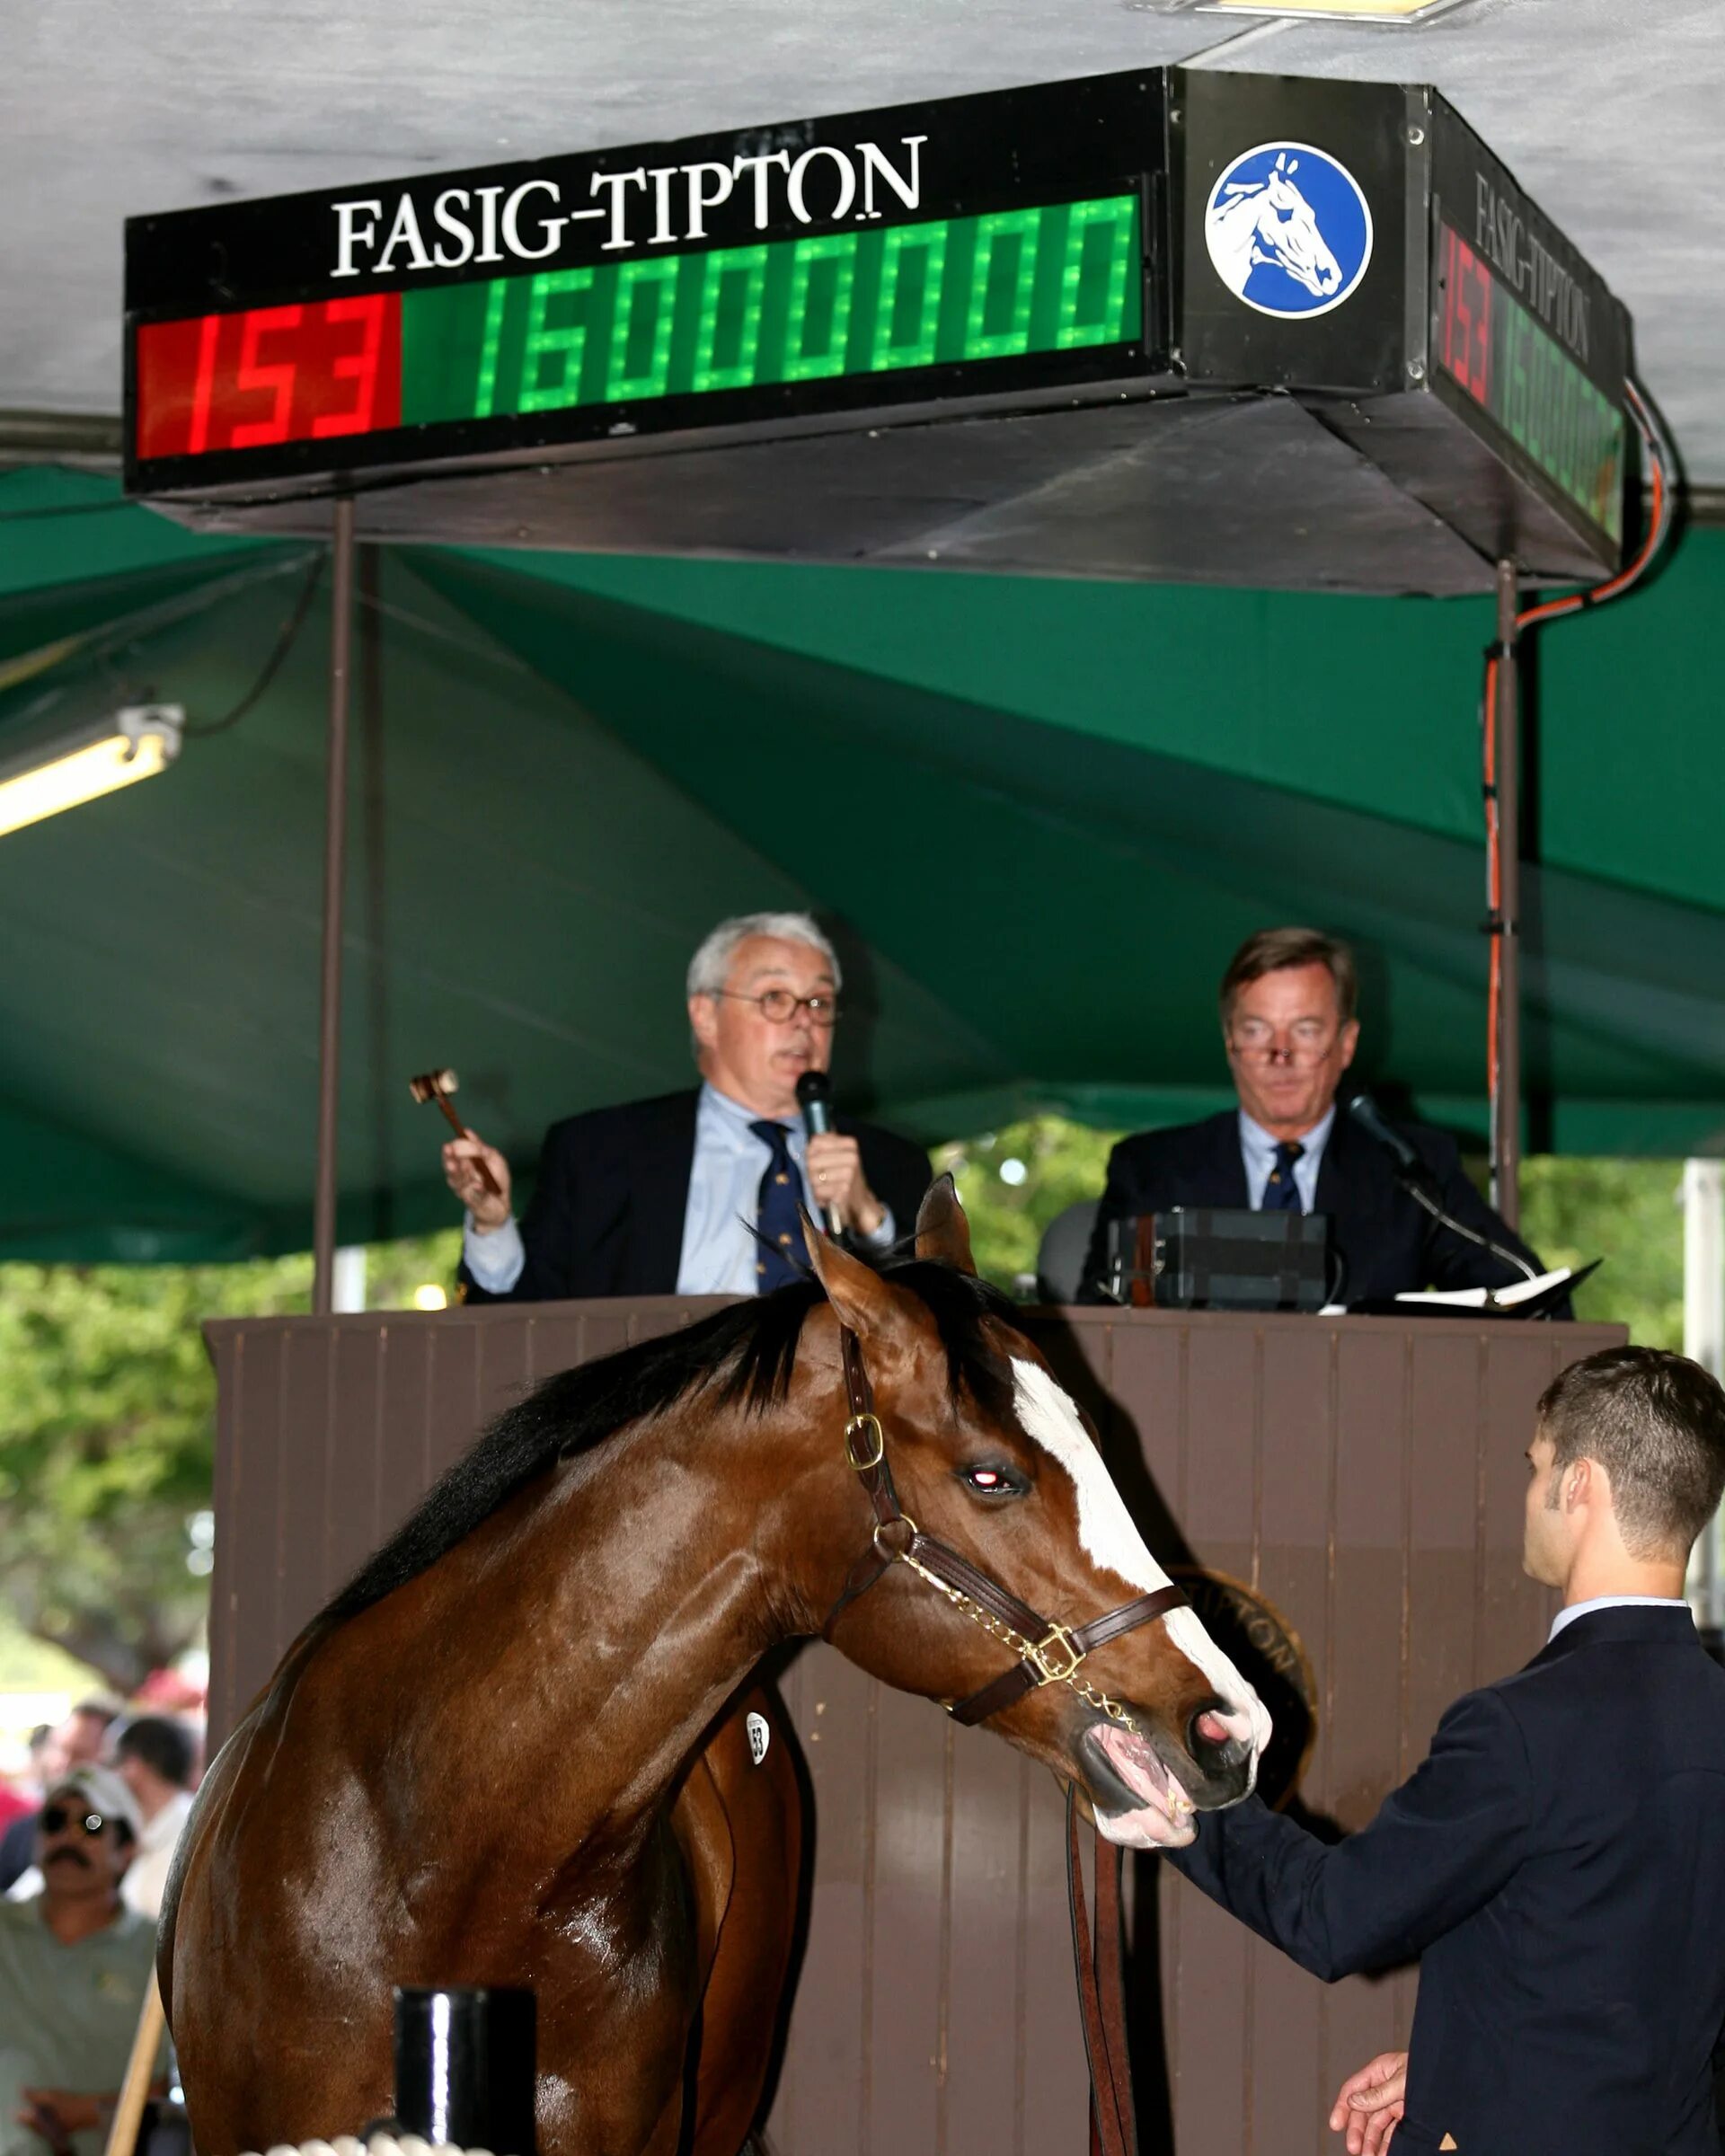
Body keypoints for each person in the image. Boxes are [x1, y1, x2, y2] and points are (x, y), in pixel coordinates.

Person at [1164, 1344, 1725, 2156]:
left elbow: (1333, 1918)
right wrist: (1455, 2063)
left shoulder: (1519, 1729)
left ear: (1578, 1485)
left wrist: (1181, 1781)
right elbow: (1623, 1976)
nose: (1529, 1496)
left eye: (1536, 1469)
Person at [446, 912, 931, 1301]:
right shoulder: (599, 1154)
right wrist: (491, 1225)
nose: (804, 1022)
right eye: (776, 998)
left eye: (820, 1003)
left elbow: (941, 1334)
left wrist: (870, 1220)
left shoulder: (893, 1163)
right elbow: (523, 1325)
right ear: (706, 1015)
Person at [1083, 925, 1556, 1305]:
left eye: (1305, 1031)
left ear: (1346, 1044)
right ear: (1230, 1041)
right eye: (1257, 1030)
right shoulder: (1150, 1170)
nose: (1280, 1054)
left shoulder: (1412, 1171)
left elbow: (1528, 1297)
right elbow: (1101, 1330)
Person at [0, 1765, 162, 2156]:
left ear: (126, 1851)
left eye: (90, 1825)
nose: (68, 1837)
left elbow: (179, 2085)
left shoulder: (159, 1952)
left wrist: (87, 2111)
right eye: (55, 1822)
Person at [0, 1701, 121, 1898]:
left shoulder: (120, 1842)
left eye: (79, 1754)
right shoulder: (22, 1831)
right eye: (60, 1749)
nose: (63, 1763)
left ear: (111, 1762)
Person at [109, 1719, 196, 1922]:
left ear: (134, 1766)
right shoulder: (150, 1832)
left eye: (113, 1763)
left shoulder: (187, 1834)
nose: (110, 1777)